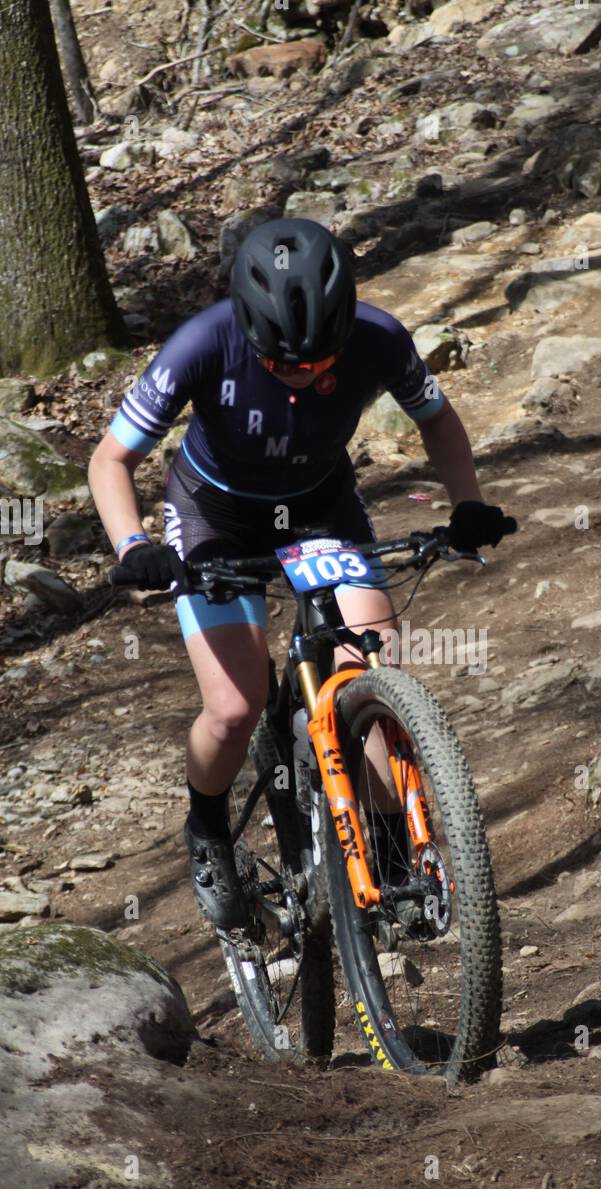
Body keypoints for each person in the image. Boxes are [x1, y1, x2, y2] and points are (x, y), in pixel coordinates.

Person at [88, 217, 516, 928]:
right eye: (285, 364)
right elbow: (110, 460)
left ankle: (388, 847)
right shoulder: (203, 343)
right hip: (213, 518)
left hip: (320, 509)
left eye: (321, 361)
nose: (307, 375)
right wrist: (134, 547)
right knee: (234, 707)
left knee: (370, 655)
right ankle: (207, 827)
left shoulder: (379, 337)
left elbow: (438, 420)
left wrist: (467, 505)